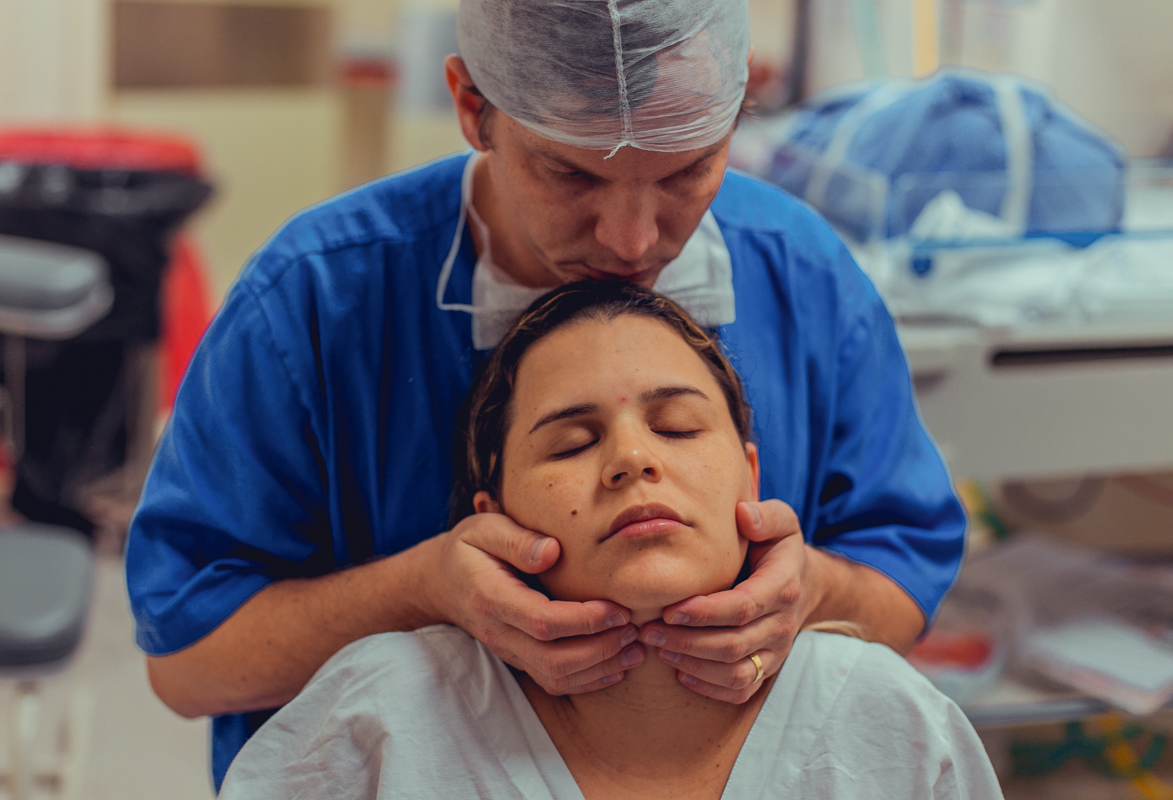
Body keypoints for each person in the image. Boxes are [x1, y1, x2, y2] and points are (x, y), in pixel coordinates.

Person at [126, 0, 966, 788]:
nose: (633, 239)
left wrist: (812, 590)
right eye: (571, 176)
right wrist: (420, 592)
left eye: (687, 171)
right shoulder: (315, 303)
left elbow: (901, 578)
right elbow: (188, 661)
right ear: (471, 105)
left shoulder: (805, 281)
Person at [217, 282, 1000, 800]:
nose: (633, 458)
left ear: (750, 479)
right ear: (494, 517)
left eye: (678, 425)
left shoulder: (887, 721)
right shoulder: (384, 717)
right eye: (568, 444)